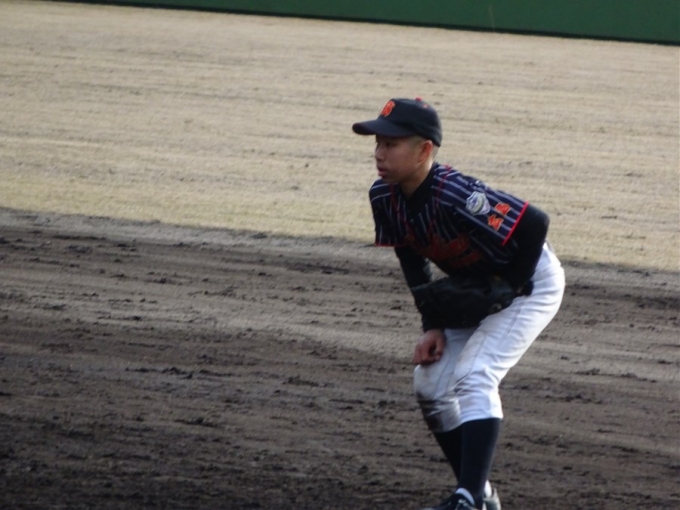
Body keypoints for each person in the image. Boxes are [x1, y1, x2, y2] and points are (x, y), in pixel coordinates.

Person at [352, 98, 565, 510]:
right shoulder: (383, 196)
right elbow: (410, 258)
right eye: (378, 143)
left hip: (530, 281)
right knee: (431, 387)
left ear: (424, 150)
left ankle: (466, 499)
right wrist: (431, 325)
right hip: (482, 284)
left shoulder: (456, 195)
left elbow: (534, 223)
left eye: (391, 144)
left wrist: (508, 286)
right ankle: (480, 494)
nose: (379, 153)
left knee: (476, 374)